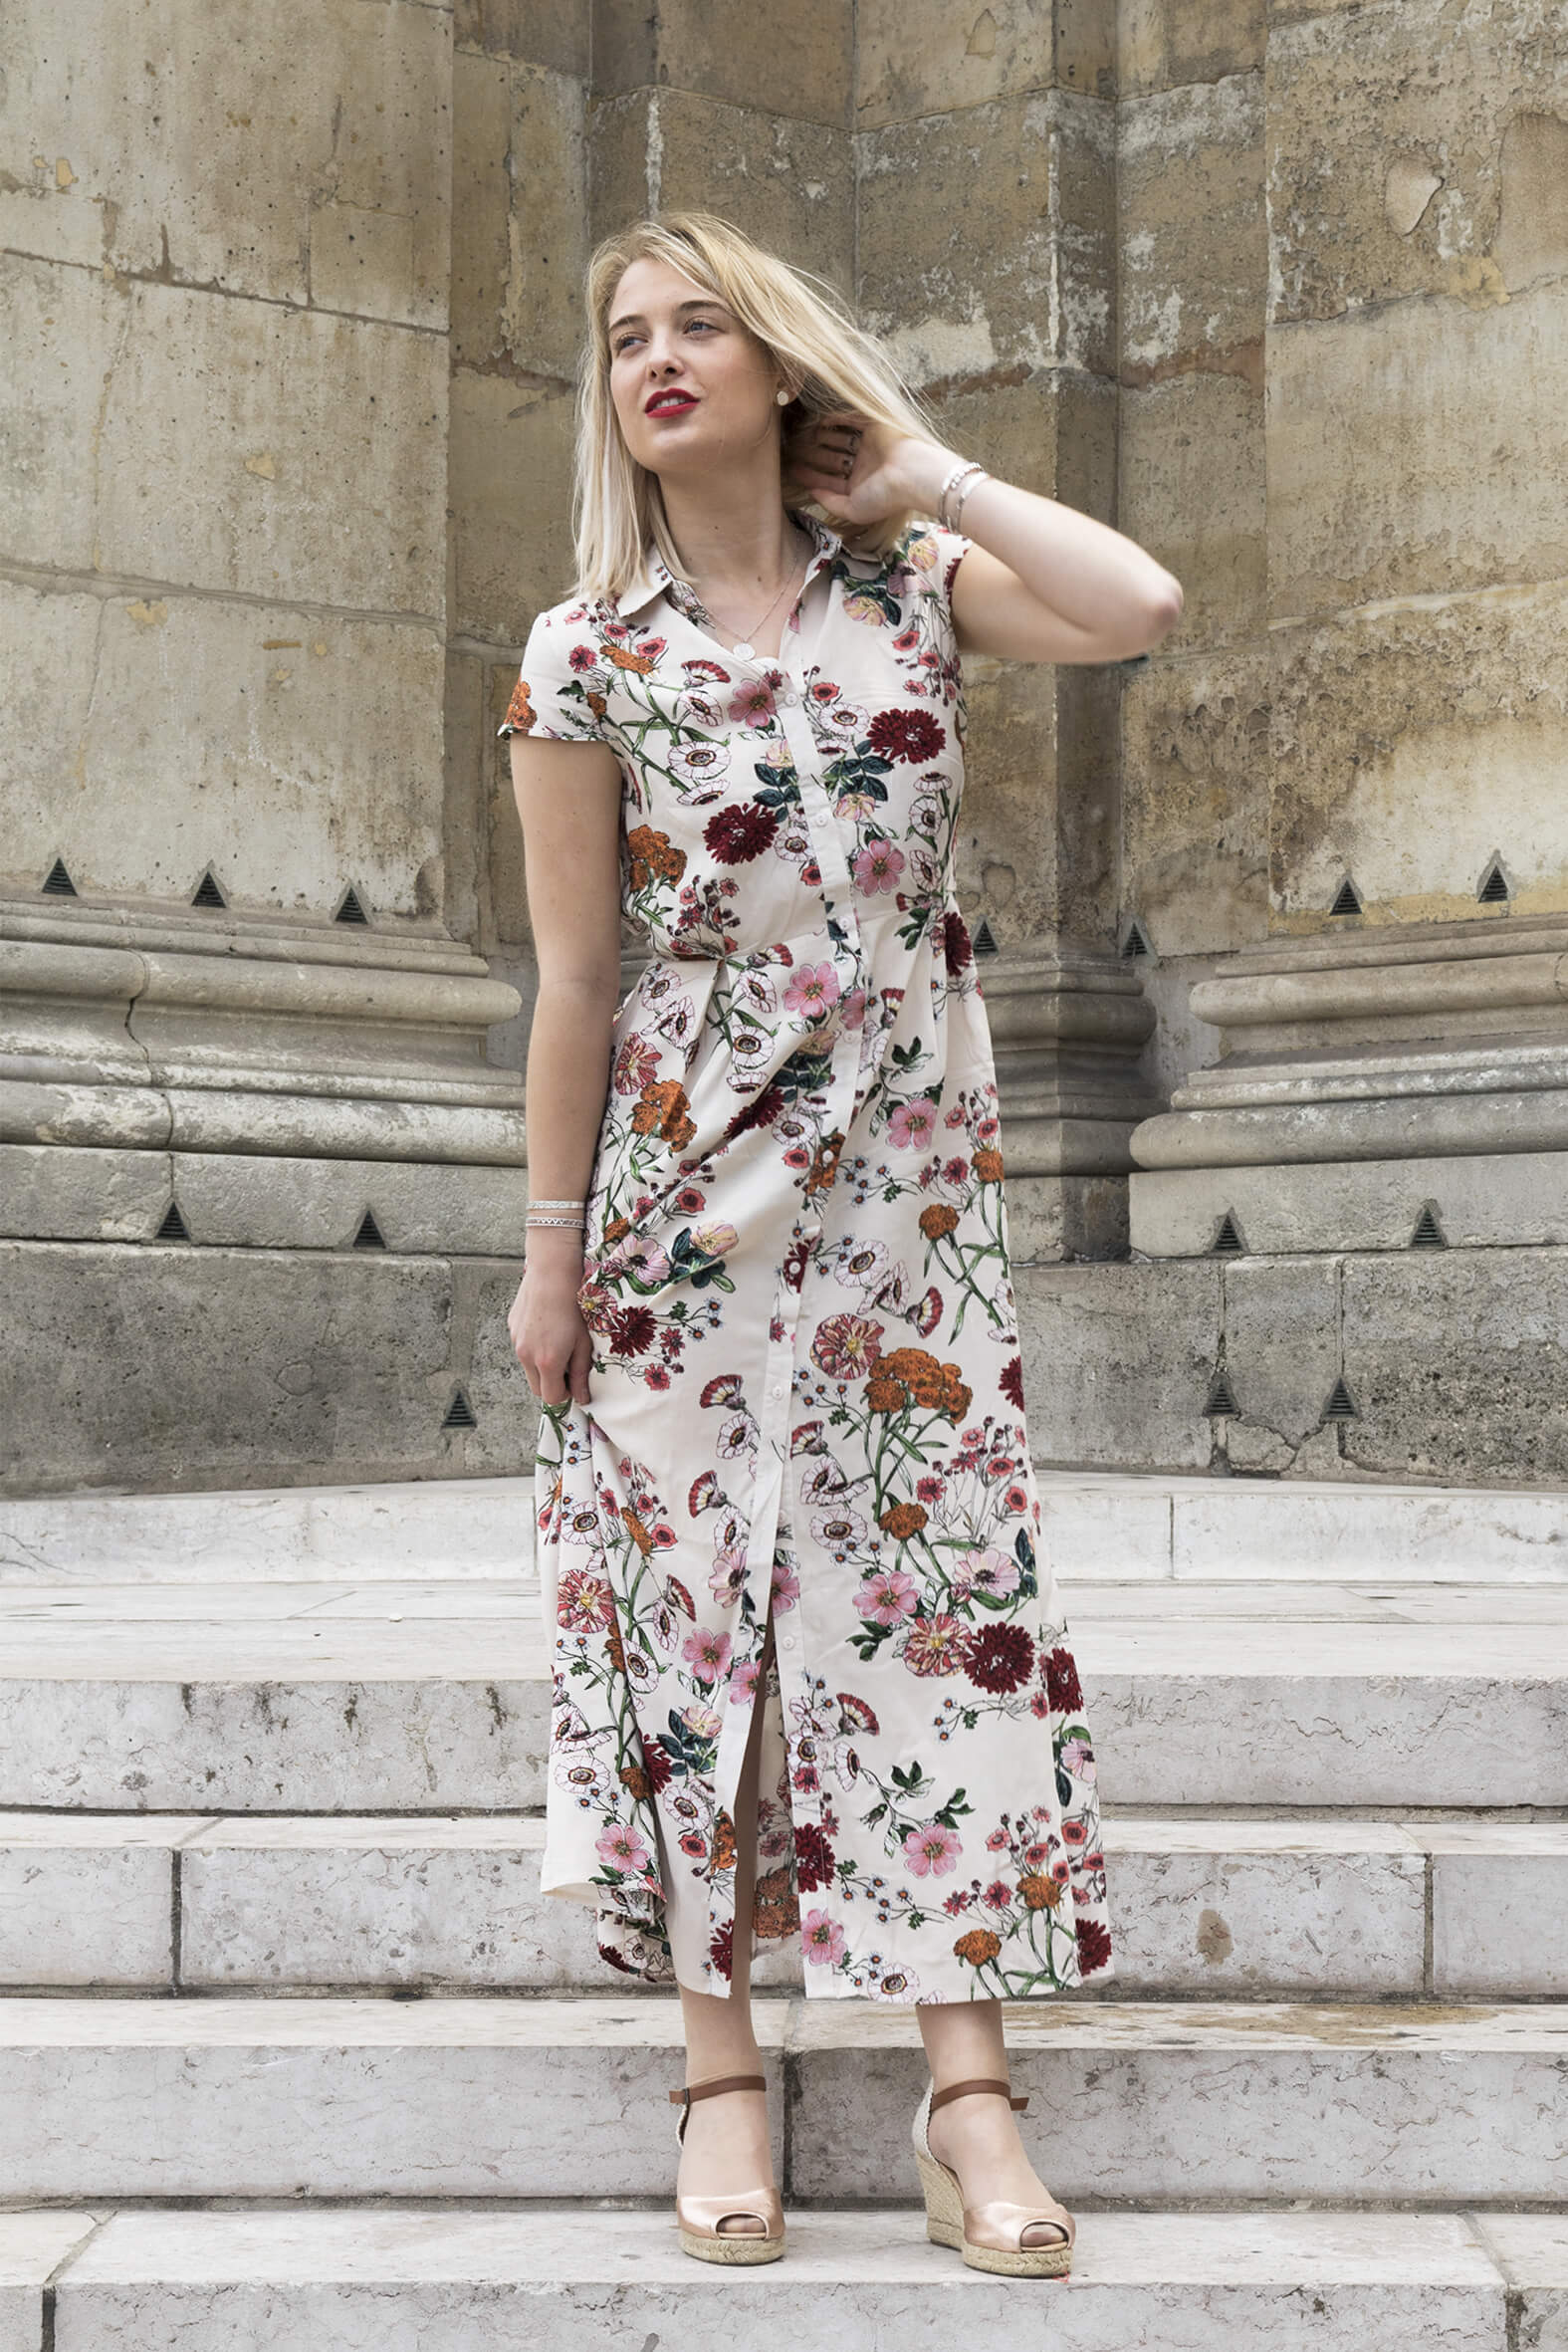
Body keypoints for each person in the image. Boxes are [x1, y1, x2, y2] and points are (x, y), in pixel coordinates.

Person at [502, 209, 1183, 2276]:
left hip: (903, 1201)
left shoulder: (912, 590)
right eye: (627, 335)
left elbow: (1138, 603)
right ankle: (720, 2064)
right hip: (673, 1199)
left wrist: (921, 471)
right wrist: (547, 1251)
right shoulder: (583, 652)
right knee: (688, 1618)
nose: (657, 357)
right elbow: (575, 978)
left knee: (931, 1598)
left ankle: (966, 2095)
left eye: (701, 324)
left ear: (779, 362)